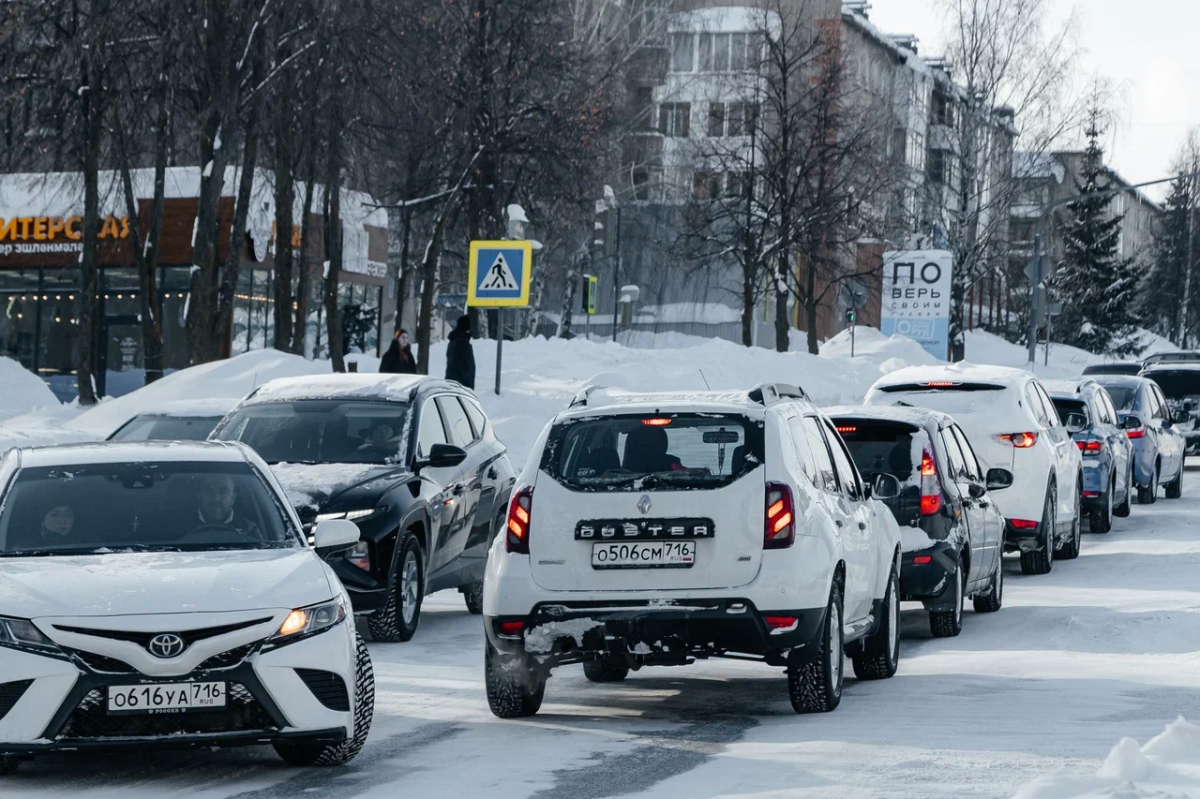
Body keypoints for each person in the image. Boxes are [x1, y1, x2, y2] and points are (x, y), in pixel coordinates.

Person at [193, 474, 261, 539]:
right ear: (199, 495)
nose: (216, 499)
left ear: (232, 499)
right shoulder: (183, 527)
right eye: (209, 491)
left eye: (223, 492)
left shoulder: (249, 530)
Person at [445, 314, 476, 389]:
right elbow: (464, 368)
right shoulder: (462, 343)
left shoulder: (454, 341)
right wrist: (468, 387)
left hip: (453, 384)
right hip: (460, 387)